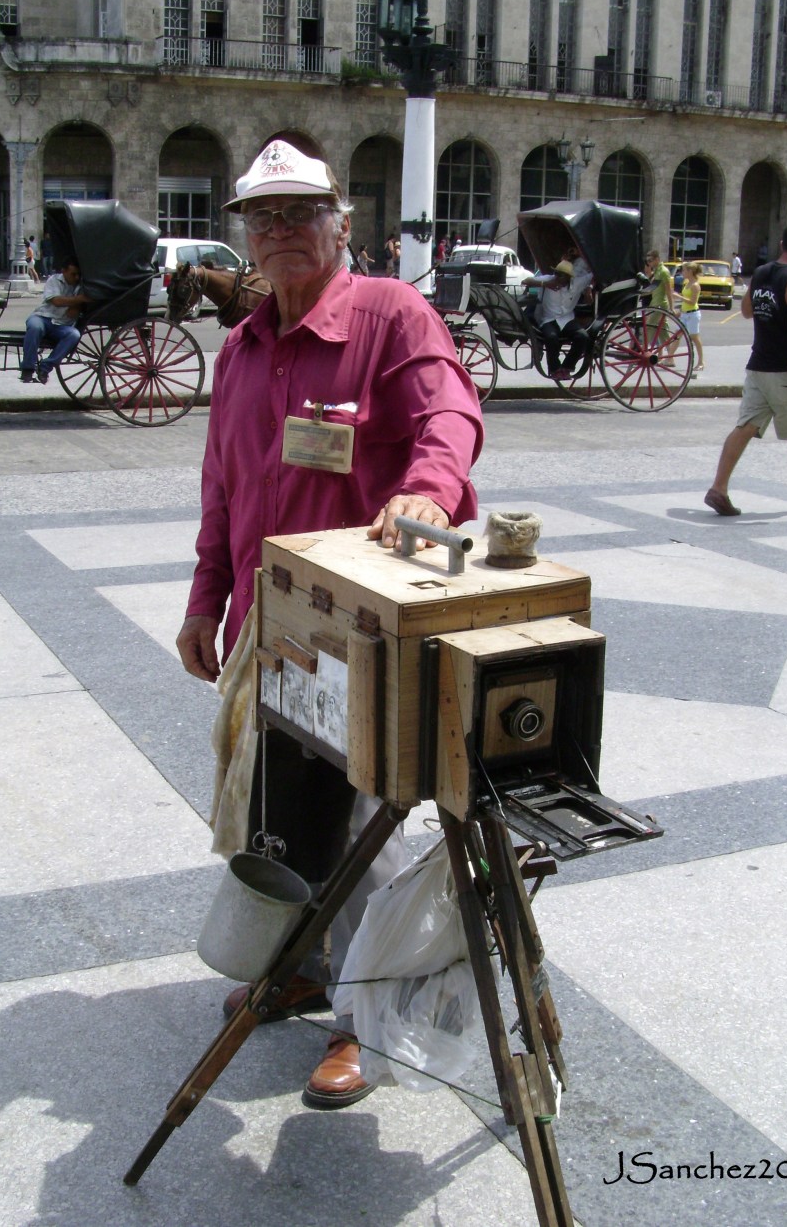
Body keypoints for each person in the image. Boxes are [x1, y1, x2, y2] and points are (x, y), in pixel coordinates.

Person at [176, 137, 483, 1109]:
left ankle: (368, 1019)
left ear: (340, 222)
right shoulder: (242, 346)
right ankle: (306, 966)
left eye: (301, 212)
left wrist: (429, 492)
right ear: (245, 242)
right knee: (284, 812)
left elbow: (452, 412)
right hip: (273, 625)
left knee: (370, 829)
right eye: (263, 218)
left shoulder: (391, 313)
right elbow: (225, 483)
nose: (281, 232)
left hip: (366, 626)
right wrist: (203, 596)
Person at [704, 223, 787, 517]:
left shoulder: (763, 273)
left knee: (744, 427)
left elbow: (746, 311)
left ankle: (718, 488)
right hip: (786, 371)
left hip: (757, 367)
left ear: (781, 244)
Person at [19, 256, 94, 383]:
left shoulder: (81, 287)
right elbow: (56, 301)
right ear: (64, 271)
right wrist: (79, 299)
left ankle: (45, 367)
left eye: (78, 275)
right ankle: (27, 368)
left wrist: (76, 302)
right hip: (42, 317)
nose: (76, 277)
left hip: (62, 324)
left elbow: (72, 313)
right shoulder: (54, 280)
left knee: (74, 335)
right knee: (35, 327)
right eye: (73, 274)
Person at [521, 252, 594, 378]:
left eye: (561, 276)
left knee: (582, 336)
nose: (557, 278)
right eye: (556, 274)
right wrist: (545, 284)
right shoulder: (549, 280)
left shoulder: (577, 283)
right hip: (548, 319)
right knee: (551, 337)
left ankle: (567, 367)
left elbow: (593, 275)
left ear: (568, 278)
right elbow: (525, 281)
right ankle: (554, 369)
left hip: (567, 319)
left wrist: (589, 287)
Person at [679, 261, 705, 374]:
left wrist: (678, 297)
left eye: (684, 270)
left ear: (690, 271)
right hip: (685, 313)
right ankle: (669, 358)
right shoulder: (687, 283)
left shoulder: (695, 285)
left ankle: (701, 362)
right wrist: (680, 311)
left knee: (695, 338)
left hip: (693, 314)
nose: (682, 272)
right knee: (677, 335)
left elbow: (692, 301)